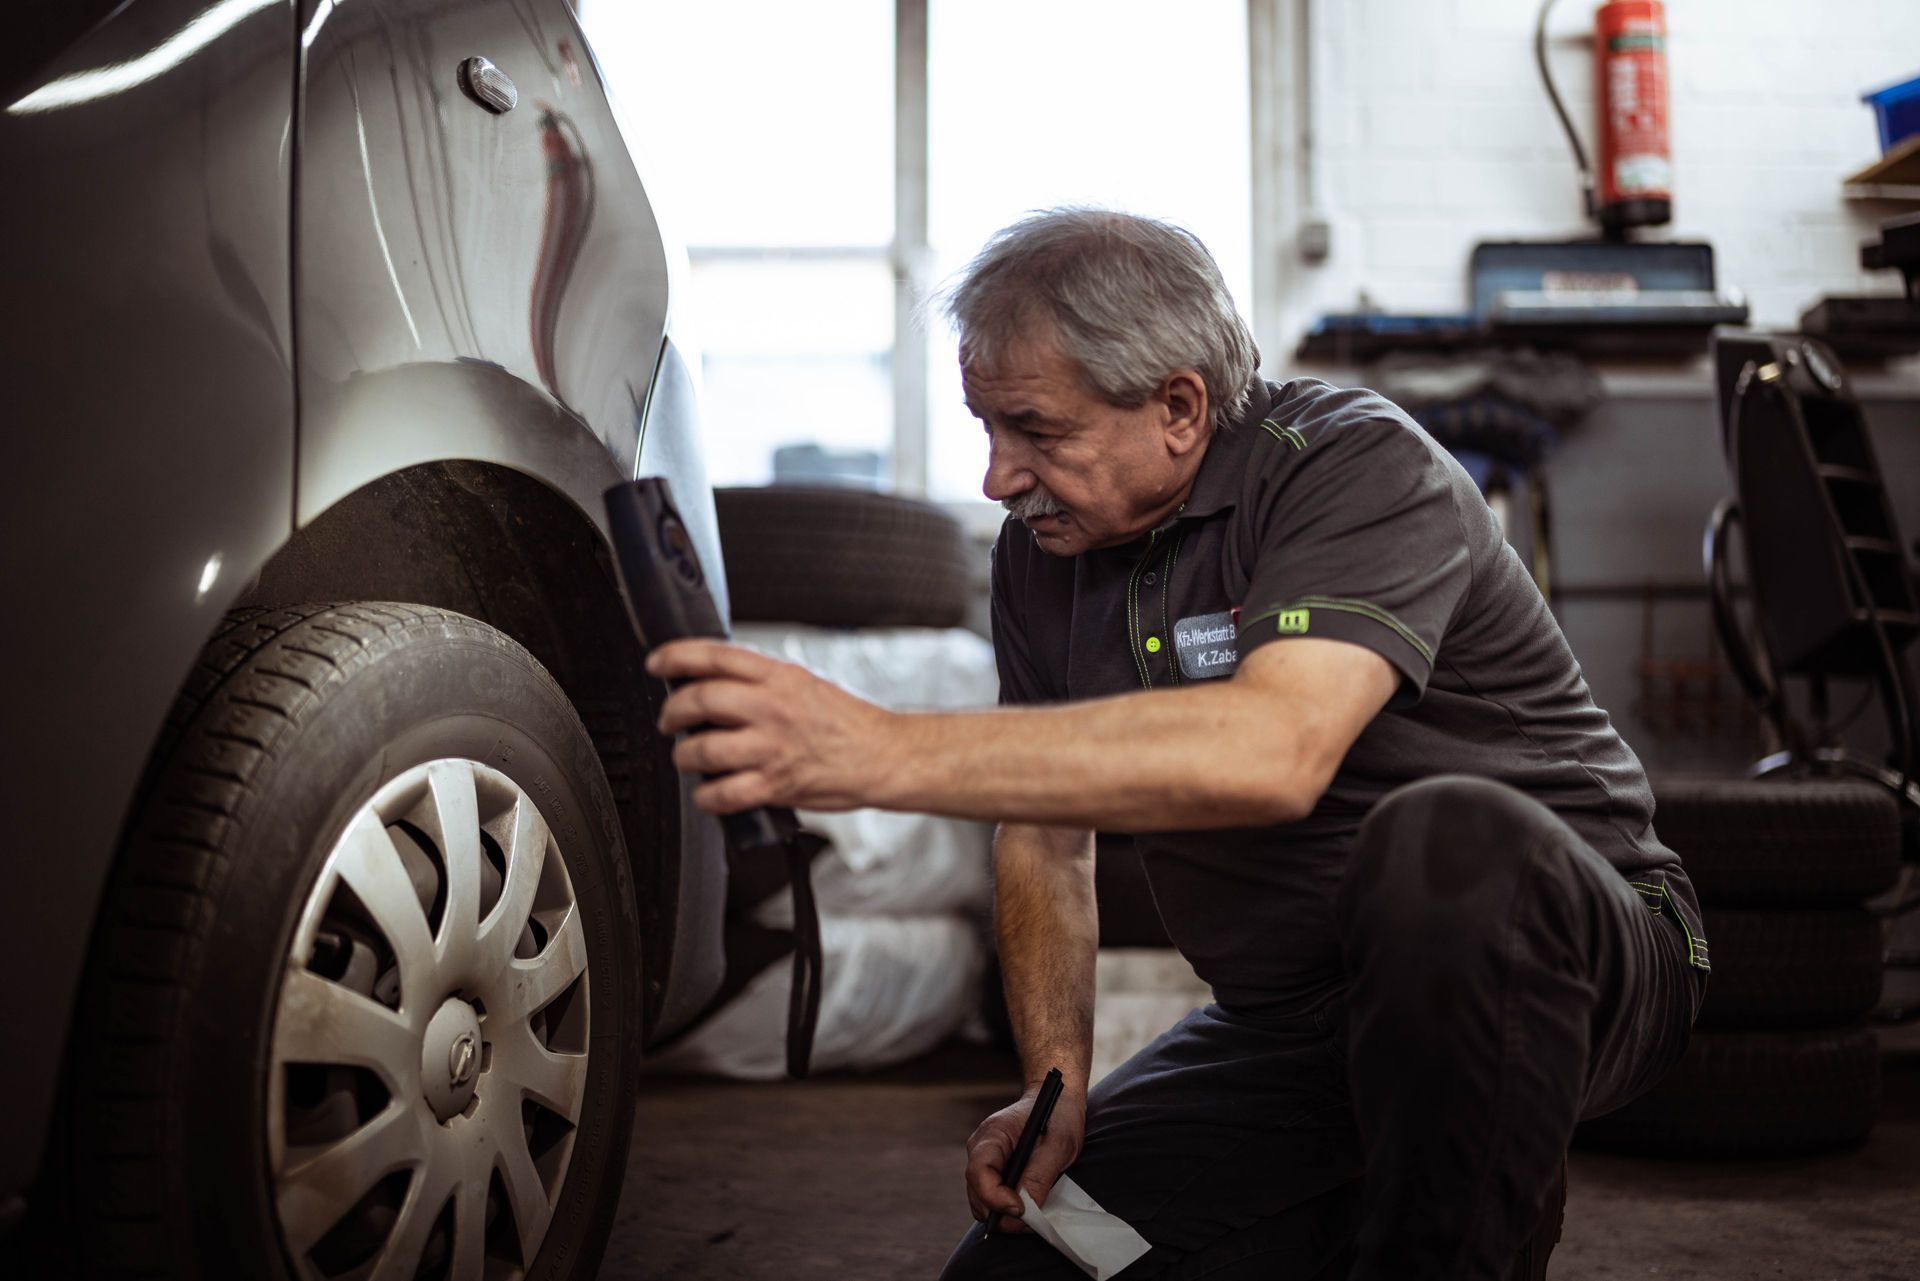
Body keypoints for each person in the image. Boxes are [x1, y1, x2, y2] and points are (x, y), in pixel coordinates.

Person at [647, 208, 1709, 1279]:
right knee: (1030, 1269)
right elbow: (1045, 834)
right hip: (1293, 1030)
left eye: (1036, 431)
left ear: (1180, 408)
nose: (996, 478)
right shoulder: (1042, 553)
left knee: (1450, 840)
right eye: (985, 429)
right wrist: (1052, 1090)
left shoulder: (1353, 467)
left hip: (1571, 958)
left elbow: (1274, 751)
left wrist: (877, 750)